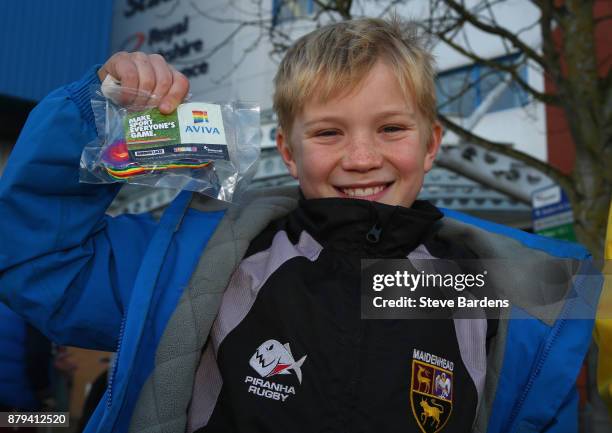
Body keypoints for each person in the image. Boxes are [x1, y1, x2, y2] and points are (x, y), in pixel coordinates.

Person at [0, 17, 601, 433]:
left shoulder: (493, 284)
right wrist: (94, 114)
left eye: (391, 129)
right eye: (328, 132)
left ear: (432, 144)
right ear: (287, 151)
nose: (362, 158)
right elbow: (44, 265)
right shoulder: (213, 260)